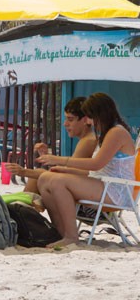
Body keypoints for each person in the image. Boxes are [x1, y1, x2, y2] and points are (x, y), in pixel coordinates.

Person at [36, 93, 135, 247]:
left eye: (89, 116)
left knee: (57, 182)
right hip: (103, 183)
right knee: (45, 178)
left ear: (99, 114)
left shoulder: (117, 132)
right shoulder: (106, 133)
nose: (88, 121)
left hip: (116, 190)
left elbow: (96, 164)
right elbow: (96, 170)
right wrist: (61, 167)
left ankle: (71, 236)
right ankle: (60, 233)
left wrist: (60, 160)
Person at [6, 97, 97, 193]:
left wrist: (24, 172)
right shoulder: (89, 139)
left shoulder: (87, 141)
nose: (65, 124)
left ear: (85, 120)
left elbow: (67, 174)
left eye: (70, 119)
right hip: (83, 191)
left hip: (84, 196)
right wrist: (48, 157)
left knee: (38, 176)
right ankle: (22, 205)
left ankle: (22, 206)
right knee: (39, 175)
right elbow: (70, 171)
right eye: (66, 119)